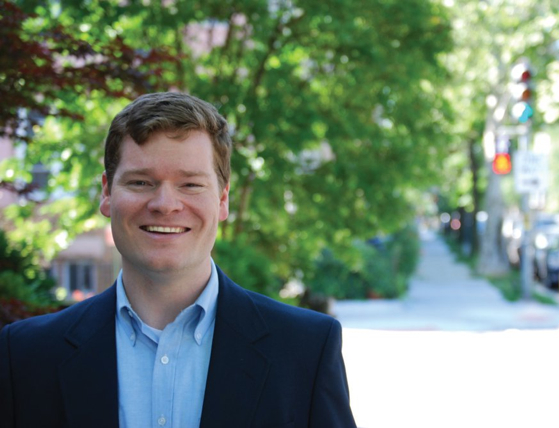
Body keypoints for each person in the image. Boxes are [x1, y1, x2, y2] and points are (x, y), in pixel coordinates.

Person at [0, 92, 357, 428]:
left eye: (190, 185)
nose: (165, 204)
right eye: (141, 182)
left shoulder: (306, 350)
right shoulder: (26, 356)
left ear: (223, 200)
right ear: (107, 193)